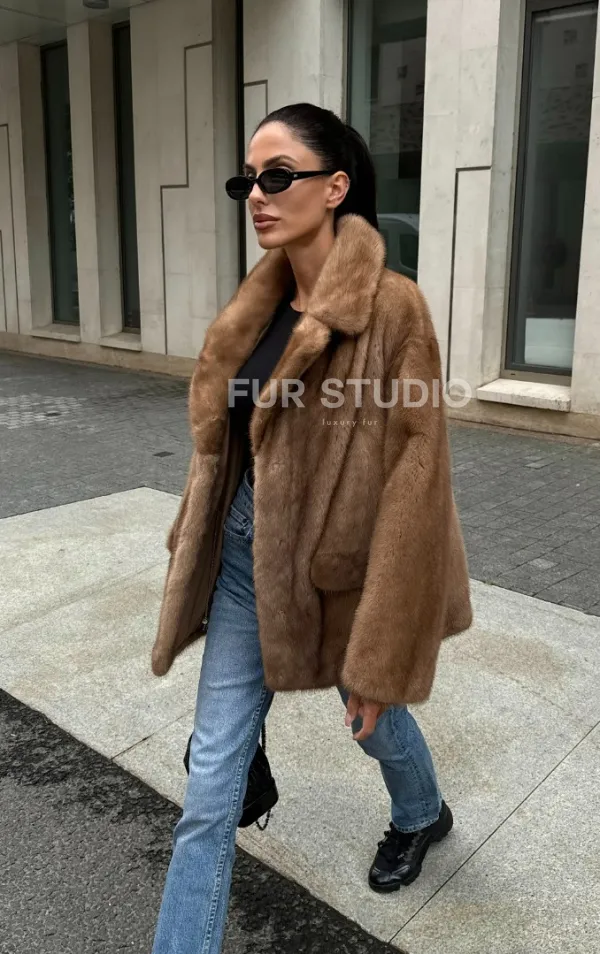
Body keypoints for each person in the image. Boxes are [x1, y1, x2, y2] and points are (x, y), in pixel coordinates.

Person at [150, 102, 472, 954]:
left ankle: (422, 813)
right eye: (247, 181)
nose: (257, 194)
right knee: (209, 789)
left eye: (277, 175)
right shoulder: (254, 308)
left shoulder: (394, 310)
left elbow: (416, 481)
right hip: (242, 567)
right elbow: (227, 449)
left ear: (335, 187)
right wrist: (193, 537)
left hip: (343, 573)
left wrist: (382, 649)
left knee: (376, 719)